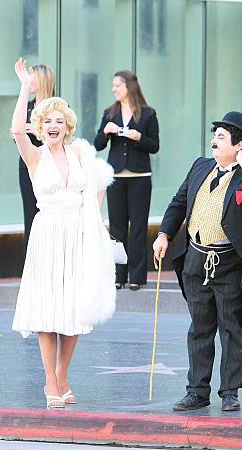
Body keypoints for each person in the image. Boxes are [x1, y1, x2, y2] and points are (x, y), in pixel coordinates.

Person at [152, 112, 242, 412]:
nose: (214, 141)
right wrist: (165, 233)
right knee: (199, 327)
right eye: (215, 135)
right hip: (195, 258)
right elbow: (179, 202)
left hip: (228, 263)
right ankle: (197, 390)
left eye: (221, 137)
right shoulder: (201, 166)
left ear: (240, 145)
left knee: (231, 328)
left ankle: (230, 391)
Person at [10, 58, 115, 409]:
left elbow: (96, 191)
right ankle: (50, 381)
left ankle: (64, 373)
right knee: (47, 309)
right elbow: (16, 131)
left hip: (78, 235)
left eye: (59, 121)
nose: (53, 126)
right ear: (40, 126)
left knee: (74, 310)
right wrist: (26, 85)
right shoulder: (35, 157)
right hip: (48, 235)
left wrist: (99, 228)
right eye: (47, 121)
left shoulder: (81, 154)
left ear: (67, 126)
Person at [94, 70, 160, 291]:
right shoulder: (109, 113)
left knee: (139, 227)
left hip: (140, 177)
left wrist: (139, 137)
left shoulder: (148, 114)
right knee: (117, 228)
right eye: (113, 86)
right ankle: (117, 276)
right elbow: (98, 144)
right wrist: (106, 131)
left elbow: (155, 146)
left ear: (129, 87)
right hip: (116, 177)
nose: (113, 89)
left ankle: (137, 277)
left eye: (117, 85)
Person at [17, 63, 55, 249]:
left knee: (50, 214)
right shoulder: (27, 106)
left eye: (33, 77)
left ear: (43, 79)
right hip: (27, 165)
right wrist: (19, 133)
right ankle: (29, 268)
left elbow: (66, 138)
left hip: (51, 166)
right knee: (30, 215)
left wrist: (38, 130)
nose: (30, 81)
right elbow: (17, 136)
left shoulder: (57, 106)